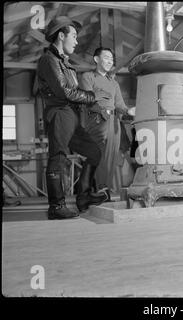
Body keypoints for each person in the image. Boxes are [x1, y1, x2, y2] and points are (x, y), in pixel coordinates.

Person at [37, 16, 111, 219]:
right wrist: (92, 96)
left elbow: (74, 92)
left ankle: (83, 197)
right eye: (74, 36)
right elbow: (64, 92)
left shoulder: (65, 63)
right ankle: (56, 206)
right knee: (58, 158)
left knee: (94, 152)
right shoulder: (48, 60)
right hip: (59, 113)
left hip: (71, 115)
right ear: (61, 36)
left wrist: (94, 103)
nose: (77, 41)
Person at [79, 47, 134, 201]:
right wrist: (102, 109)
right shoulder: (88, 77)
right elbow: (88, 99)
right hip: (97, 120)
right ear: (96, 59)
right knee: (98, 156)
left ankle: (104, 191)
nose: (110, 61)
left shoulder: (114, 83)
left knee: (111, 158)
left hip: (114, 122)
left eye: (112, 59)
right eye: (106, 57)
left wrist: (129, 111)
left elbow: (120, 105)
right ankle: (94, 191)